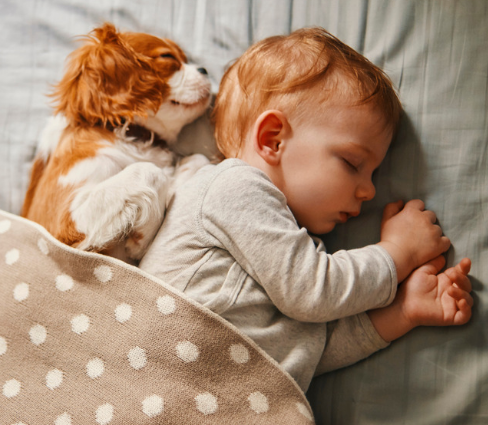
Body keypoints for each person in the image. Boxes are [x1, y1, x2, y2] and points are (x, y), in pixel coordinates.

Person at [139, 28, 473, 396]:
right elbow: (312, 292)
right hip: (164, 387)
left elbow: (303, 352)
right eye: (352, 163)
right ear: (273, 140)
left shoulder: (286, 245)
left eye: (374, 174)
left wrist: (403, 311)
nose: (370, 190)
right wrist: (398, 252)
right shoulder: (232, 187)